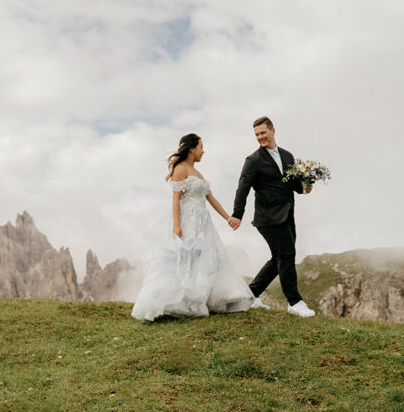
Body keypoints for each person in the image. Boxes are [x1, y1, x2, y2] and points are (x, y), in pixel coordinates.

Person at [131, 133, 253, 322]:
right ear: (191, 149)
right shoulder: (181, 169)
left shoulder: (199, 174)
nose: (203, 151)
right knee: (183, 257)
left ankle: (197, 300)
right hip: (187, 220)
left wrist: (228, 217)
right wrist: (177, 225)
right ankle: (177, 302)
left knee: (202, 259)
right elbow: (176, 199)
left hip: (203, 223)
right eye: (201, 147)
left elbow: (211, 199)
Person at [228, 116, 317, 317]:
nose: (260, 137)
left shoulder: (287, 156)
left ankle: (251, 296)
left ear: (273, 130)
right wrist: (237, 214)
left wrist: (306, 187)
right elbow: (243, 188)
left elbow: (295, 186)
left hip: (287, 215)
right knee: (286, 255)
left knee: (278, 258)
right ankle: (294, 302)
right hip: (267, 218)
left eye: (263, 133)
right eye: (257, 134)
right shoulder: (253, 160)